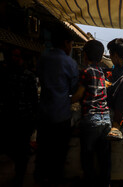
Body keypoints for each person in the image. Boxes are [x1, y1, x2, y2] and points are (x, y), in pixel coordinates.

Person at [34, 26, 79, 185]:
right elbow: (73, 89)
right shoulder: (70, 63)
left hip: (44, 114)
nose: (71, 47)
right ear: (66, 43)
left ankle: (39, 179)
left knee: (43, 152)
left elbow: (39, 79)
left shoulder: (43, 59)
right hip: (61, 117)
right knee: (58, 155)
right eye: (71, 44)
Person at [72, 40, 111, 187]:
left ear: (85, 55)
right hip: (105, 118)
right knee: (104, 158)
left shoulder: (86, 71)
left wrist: (67, 100)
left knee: (87, 157)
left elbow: (79, 95)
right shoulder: (101, 72)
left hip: (91, 119)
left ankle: (89, 183)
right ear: (101, 58)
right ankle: (105, 183)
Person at [0, 48, 38, 186]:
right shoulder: (5, 74)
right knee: (12, 148)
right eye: (13, 56)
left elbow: (33, 99)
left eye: (17, 56)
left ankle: (19, 176)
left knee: (21, 150)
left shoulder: (28, 76)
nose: (14, 58)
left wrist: (34, 117)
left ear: (22, 58)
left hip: (24, 119)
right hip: (9, 118)